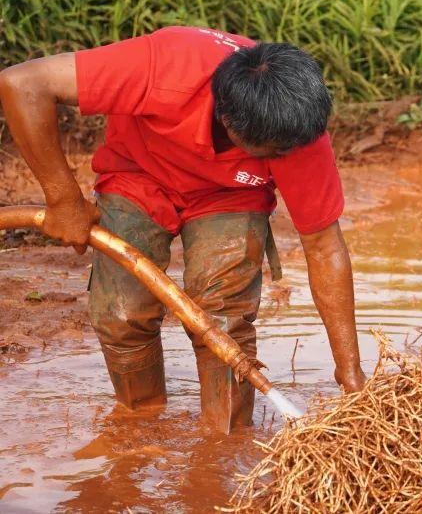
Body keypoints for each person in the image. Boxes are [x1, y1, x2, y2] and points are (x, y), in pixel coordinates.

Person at [0, 27, 366, 433]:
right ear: (231, 122)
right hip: (138, 173)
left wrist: (349, 373)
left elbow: (324, 247)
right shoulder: (165, 66)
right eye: (277, 151)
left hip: (231, 194)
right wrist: (63, 198)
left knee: (224, 319)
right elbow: (22, 83)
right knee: (122, 314)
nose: (289, 157)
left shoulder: (297, 134)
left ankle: (225, 441)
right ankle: (140, 422)